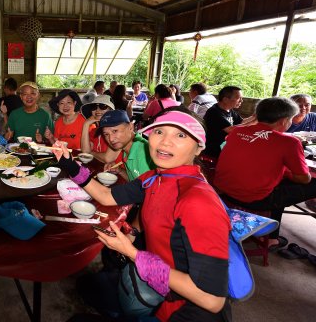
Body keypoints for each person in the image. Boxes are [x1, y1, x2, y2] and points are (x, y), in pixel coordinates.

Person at [55, 107, 230, 321]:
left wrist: (133, 254)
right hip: (155, 281)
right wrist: (69, 165)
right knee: (86, 285)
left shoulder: (199, 202)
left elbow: (212, 300)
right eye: (159, 132)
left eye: (181, 135)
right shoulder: (154, 177)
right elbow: (106, 196)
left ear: (198, 148)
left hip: (183, 310)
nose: (165, 142)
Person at [215, 97, 316, 249]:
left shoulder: (237, 132)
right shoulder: (289, 142)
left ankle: (272, 237)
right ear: (283, 121)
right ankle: (271, 237)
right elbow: (303, 178)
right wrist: (286, 172)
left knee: (279, 185)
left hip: (223, 191)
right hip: (254, 199)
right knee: (296, 185)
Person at [97, 110, 154, 181]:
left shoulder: (144, 152)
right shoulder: (127, 149)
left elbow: (150, 190)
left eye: (115, 131)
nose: (111, 139)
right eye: (106, 134)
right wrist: (119, 170)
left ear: (130, 127)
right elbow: (135, 181)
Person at [203, 86, 255, 158]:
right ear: (225, 99)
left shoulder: (229, 110)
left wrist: (255, 117)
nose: (241, 101)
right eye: (238, 98)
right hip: (214, 150)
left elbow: (242, 121)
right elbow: (231, 130)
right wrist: (254, 122)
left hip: (225, 145)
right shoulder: (214, 112)